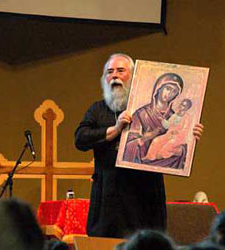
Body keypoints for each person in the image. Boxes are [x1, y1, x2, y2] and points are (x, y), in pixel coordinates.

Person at [75, 53, 204, 238]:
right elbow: (80, 139)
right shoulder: (98, 109)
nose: (115, 76)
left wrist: (189, 135)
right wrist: (115, 129)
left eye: (121, 70)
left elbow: (169, 138)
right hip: (108, 199)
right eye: (109, 72)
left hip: (145, 197)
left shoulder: (153, 108)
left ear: (134, 76)